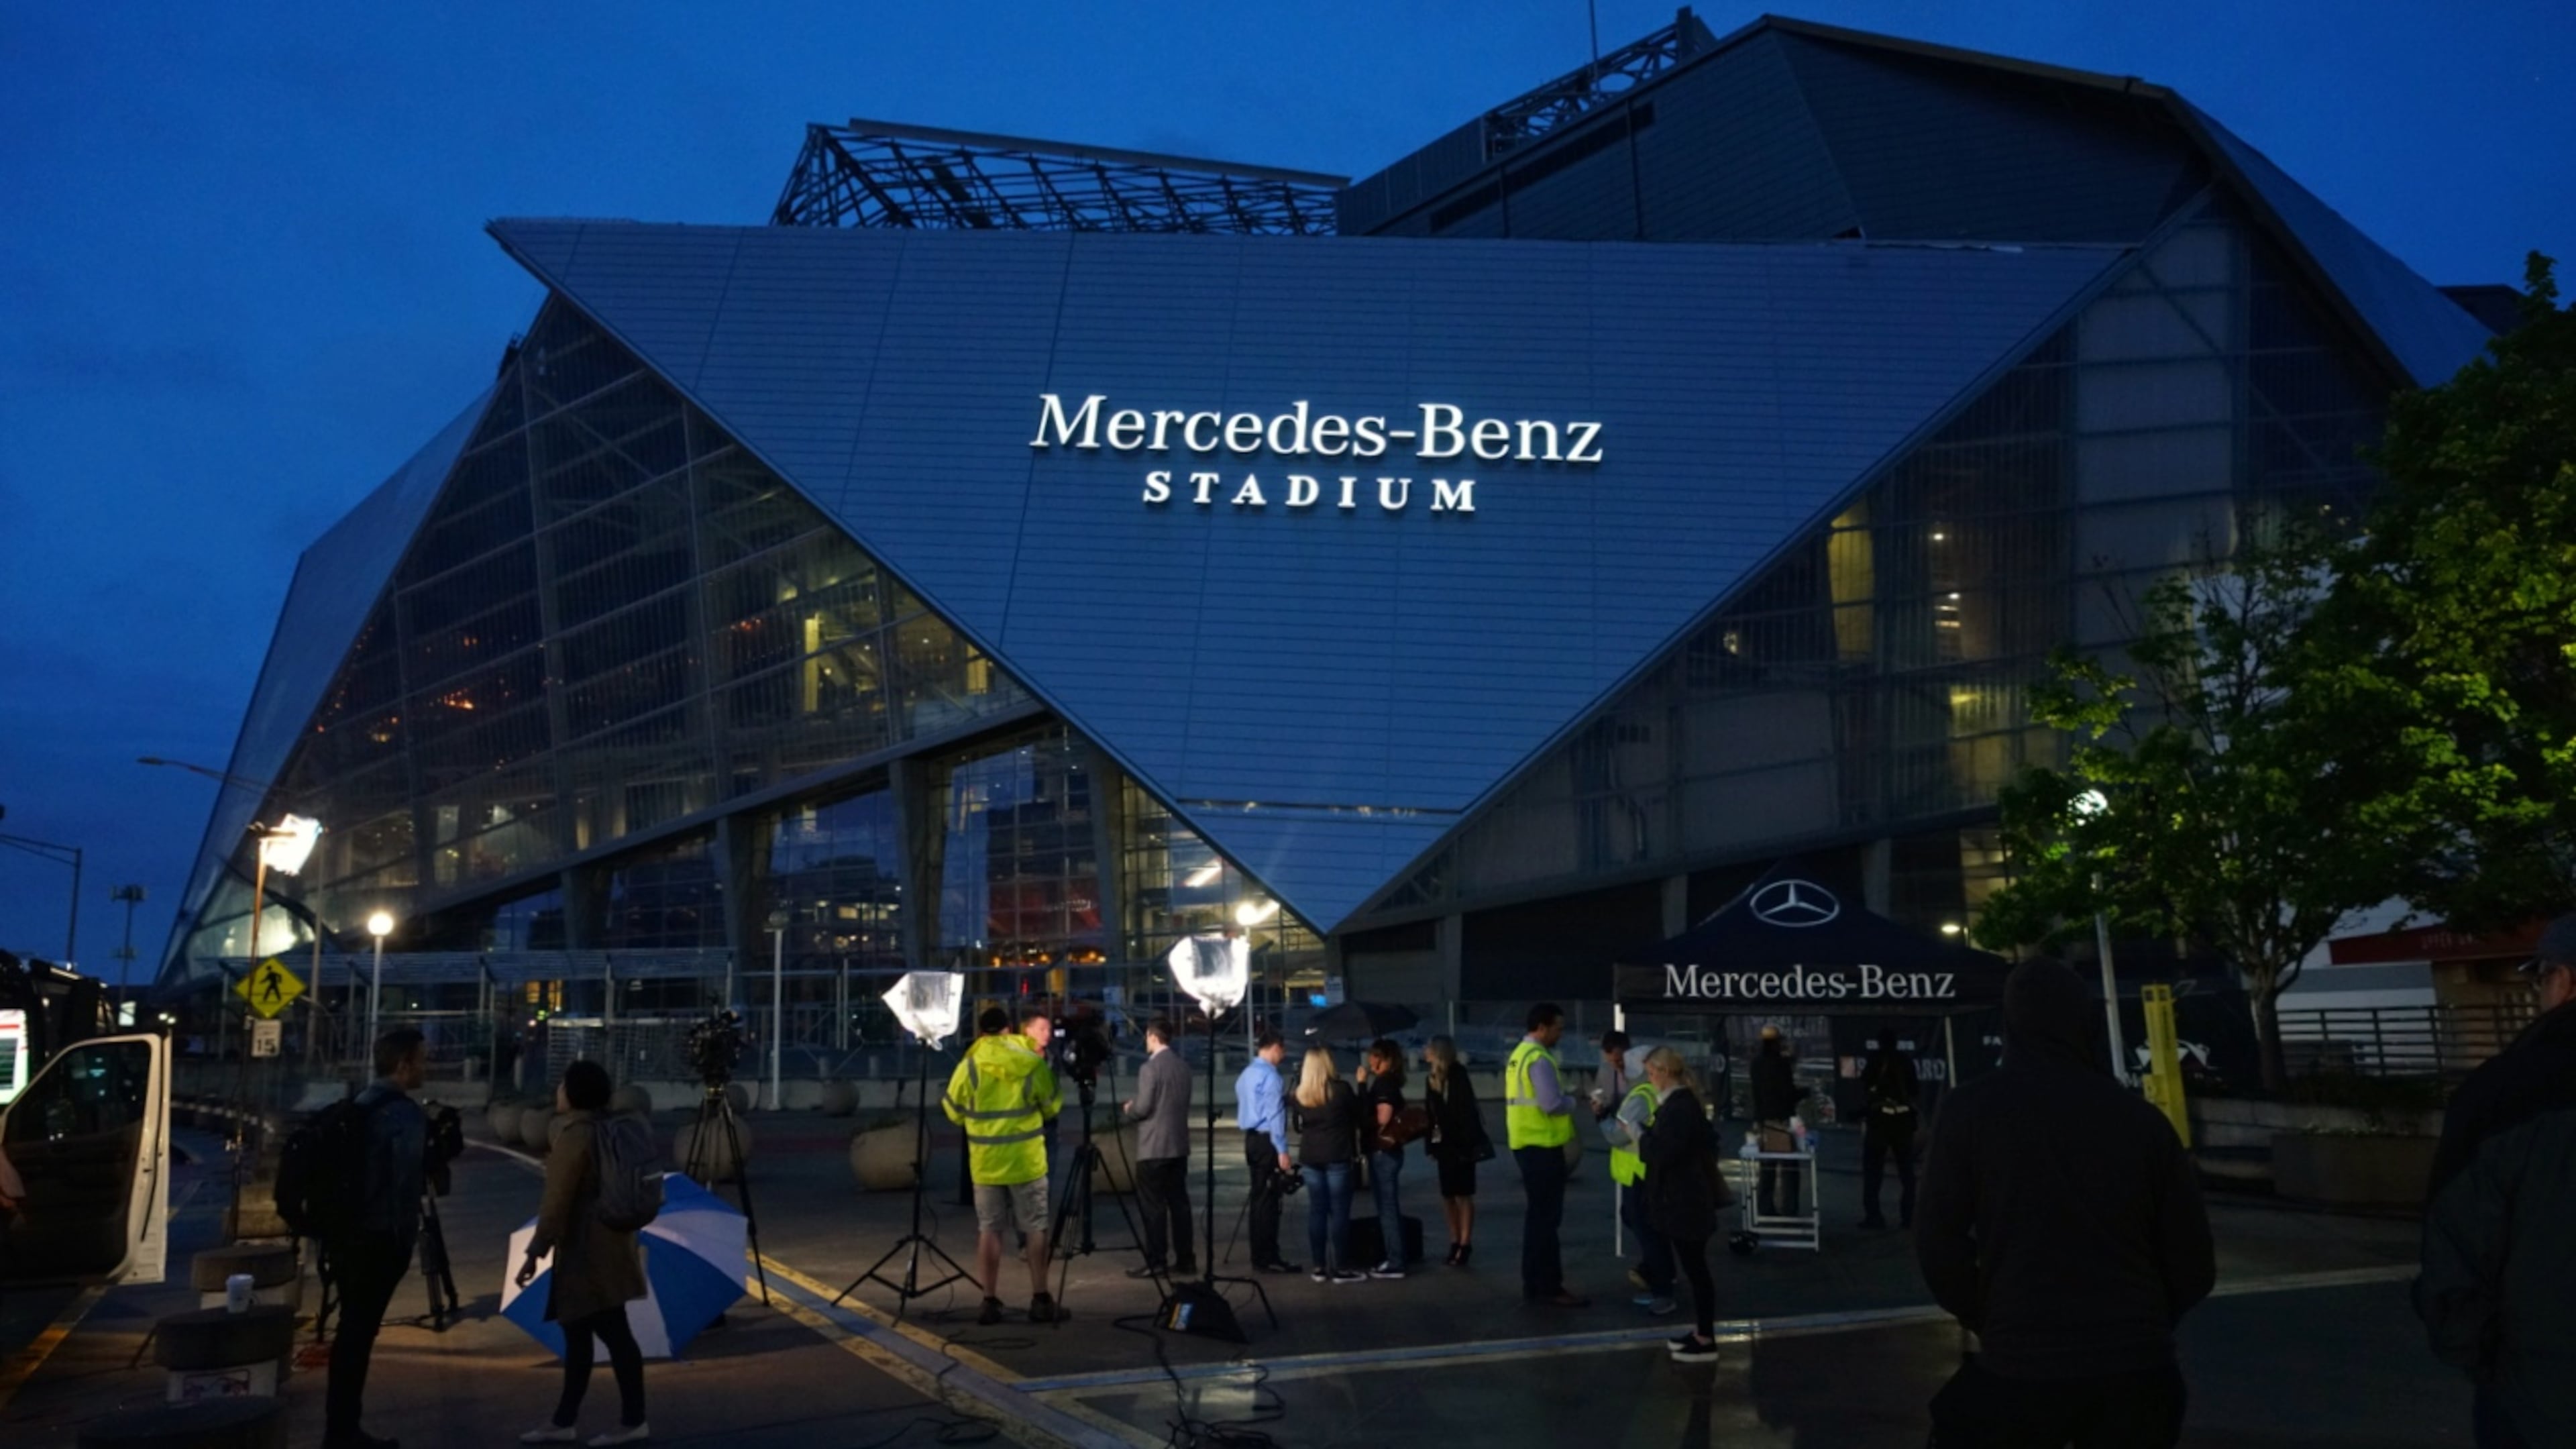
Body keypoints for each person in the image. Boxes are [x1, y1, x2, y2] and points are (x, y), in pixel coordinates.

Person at [1917, 959, 2215, 1448]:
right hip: (2138, 1370)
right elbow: (2194, 1262)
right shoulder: (2141, 1121)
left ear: (2011, 1024)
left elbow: (1936, 1239)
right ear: (2088, 1022)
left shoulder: (1971, 1110)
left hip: (2021, 1364)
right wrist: (2147, 1321)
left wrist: (1988, 1317)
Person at [2418, 913, 2576, 1446]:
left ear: (2564, 980)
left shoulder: (2503, 1094)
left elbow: (2456, 1256)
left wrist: (2482, 1357)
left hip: (2541, 1390)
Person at [515, 1061, 649, 1446]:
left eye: (562, 1086)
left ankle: (632, 1420)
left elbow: (556, 1201)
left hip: (586, 1254)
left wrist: (535, 1252)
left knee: (612, 1334)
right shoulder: (606, 1129)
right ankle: (564, 1420)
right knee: (580, 1334)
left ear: (574, 1094)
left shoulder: (576, 1136)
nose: (558, 1092)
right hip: (610, 1245)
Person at [324, 1028, 431, 1449]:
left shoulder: (361, 1104)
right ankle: (343, 1433)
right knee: (357, 1335)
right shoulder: (403, 1114)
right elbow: (408, 1181)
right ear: (404, 1064)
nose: (427, 1066)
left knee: (351, 1332)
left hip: (347, 1235)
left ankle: (341, 1429)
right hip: (381, 1238)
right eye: (422, 1059)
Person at [943, 1006, 1061, 1326]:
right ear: (1009, 1030)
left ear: (982, 1033)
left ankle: (989, 1300)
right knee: (1035, 1228)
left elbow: (952, 1112)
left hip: (986, 1163)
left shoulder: (969, 1066)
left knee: (990, 1230)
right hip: (1027, 1161)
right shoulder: (1031, 1063)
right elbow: (1052, 1107)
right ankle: (1040, 1297)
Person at [1638, 1046, 1723, 1364]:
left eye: (1650, 1074)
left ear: (1663, 1072)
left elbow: (1664, 1151)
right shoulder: (1684, 1104)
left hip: (1685, 1199)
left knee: (1696, 1269)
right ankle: (1702, 1332)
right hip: (1688, 1197)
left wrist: (1641, 1136)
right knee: (1695, 1267)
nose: (1650, 1080)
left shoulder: (1678, 1107)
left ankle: (1705, 1338)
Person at [1505, 1002, 1586, 1307]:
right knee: (1547, 1220)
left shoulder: (1518, 1056)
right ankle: (1550, 1285)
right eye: (1558, 1027)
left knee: (1537, 1219)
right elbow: (1551, 1104)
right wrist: (1573, 1100)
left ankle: (1534, 1282)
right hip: (1542, 1146)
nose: (1560, 1033)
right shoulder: (1539, 1059)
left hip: (1524, 1143)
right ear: (1542, 1026)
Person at [1603, 1040, 1677, 1315]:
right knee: (1642, 1223)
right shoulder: (1657, 1095)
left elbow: (1616, 1135)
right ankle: (1663, 1273)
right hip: (1648, 1170)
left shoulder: (1638, 1098)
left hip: (1637, 1172)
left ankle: (1661, 1286)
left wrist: (1601, 1117)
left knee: (1647, 1229)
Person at [1119, 1018, 1195, 1279]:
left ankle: (1157, 1260)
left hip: (1153, 1147)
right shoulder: (1183, 1067)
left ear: (1152, 1036)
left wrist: (1130, 1108)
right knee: (1180, 1205)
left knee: (1153, 1207)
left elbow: (1144, 1107)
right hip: (1178, 1146)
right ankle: (1186, 1259)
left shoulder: (1149, 1069)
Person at [1292, 1045, 1366, 1283]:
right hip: (1337, 1154)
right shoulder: (1341, 1090)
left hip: (1311, 1157)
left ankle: (1319, 1266)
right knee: (1340, 1212)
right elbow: (1361, 1116)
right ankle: (1342, 1266)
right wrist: (1362, 1085)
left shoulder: (1300, 1095)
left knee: (1317, 1211)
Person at [1233, 1031, 1300, 1275]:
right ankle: (1269, 1255)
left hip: (1251, 1139)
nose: (1283, 1056)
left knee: (1258, 1198)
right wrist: (1282, 1149)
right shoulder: (1271, 1077)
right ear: (1274, 1048)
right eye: (1282, 1050)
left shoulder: (1246, 1075)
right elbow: (1274, 1115)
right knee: (1270, 1201)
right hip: (1267, 1141)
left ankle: (1258, 1254)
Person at [1421, 1036, 1487, 1267]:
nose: (1424, 1051)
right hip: (1444, 1146)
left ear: (1437, 1052)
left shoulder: (1458, 1075)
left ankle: (1465, 1242)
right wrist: (1431, 1144)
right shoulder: (1431, 1079)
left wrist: (1464, 1144)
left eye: (1429, 1048)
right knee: (1448, 1195)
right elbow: (1431, 1116)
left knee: (1463, 1194)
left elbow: (1465, 1113)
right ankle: (1454, 1239)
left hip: (1461, 1145)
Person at [1357, 1038, 1410, 1279]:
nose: (1370, 1060)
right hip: (1387, 1153)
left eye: (1374, 1056)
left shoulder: (1384, 1084)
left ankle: (1396, 1261)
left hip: (1383, 1152)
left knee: (1387, 1207)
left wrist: (1361, 1086)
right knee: (1387, 1206)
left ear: (1385, 1059)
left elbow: (1382, 1118)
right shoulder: (1387, 1082)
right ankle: (1394, 1256)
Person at [1859, 1028, 1921, 1230]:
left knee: (1873, 1171)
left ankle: (1874, 1217)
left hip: (1880, 1121)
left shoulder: (1875, 1060)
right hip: (1903, 1121)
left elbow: (1865, 1085)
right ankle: (1909, 1216)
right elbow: (1915, 1089)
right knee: (1907, 1172)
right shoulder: (1906, 1060)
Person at [1749, 1025, 1802, 1218]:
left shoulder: (1756, 1064)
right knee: (1789, 1167)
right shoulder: (1781, 1064)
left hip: (1764, 1120)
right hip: (1782, 1120)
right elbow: (1788, 1094)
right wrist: (1803, 1093)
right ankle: (1789, 1208)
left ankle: (1765, 1208)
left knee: (1767, 1167)